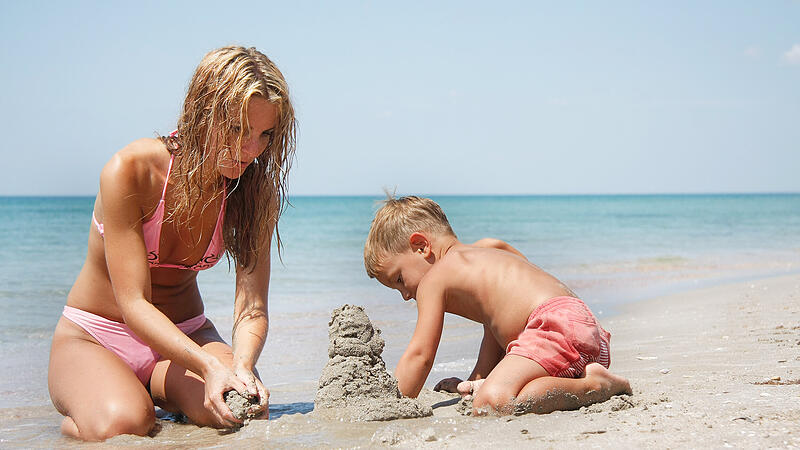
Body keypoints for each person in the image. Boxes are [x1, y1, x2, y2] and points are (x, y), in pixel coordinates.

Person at [47, 46, 296, 441]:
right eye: (237, 129)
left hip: (186, 335)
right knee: (125, 425)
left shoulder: (253, 192)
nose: (252, 150)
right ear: (202, 112)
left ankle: (154, 394)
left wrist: (242, 365)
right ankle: (108, 402)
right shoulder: (132, 171)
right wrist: (208, 366)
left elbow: (252, 308)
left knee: (242, 411)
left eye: (264, 135)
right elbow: (133, 305)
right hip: (97, 337)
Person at [363, 196, 631, 415]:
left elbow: (421, 355)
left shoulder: (434, 278)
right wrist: (476, 379)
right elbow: (499, 319)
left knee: (492, 401)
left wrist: (393, 403)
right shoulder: (487, 249)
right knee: (491, 390)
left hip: (555, 330)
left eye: (399, 279)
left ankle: (596, 385)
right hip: (585, 332)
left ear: (421, 246)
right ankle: (586, 377)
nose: (405, 295)